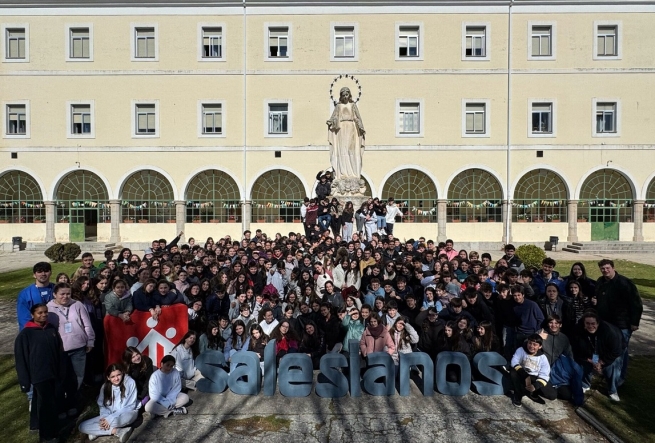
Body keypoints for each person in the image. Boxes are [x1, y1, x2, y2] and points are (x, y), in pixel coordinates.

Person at [14, 303, 63, 443]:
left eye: (45, 312)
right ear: (32, 315)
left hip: (53, 373)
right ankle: (48, 436)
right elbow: (21, 359)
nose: (43, 315)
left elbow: (58, 351)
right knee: (47, 406)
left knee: (42, 401)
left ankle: (35, 425)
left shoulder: (50, 329)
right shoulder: (25, 334)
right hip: (39, 376)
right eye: (39, 313)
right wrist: (24, 382)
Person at [47, 282, 95, 415]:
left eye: (68, 293)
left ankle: (73, 404)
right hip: (60, 350)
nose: (65, 296)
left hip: (78, 347)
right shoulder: (49, 308)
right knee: (61, 379)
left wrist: (90, 341)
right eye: (62, 294)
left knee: (78, 378)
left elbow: (87, 325)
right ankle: (62, 406)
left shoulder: (77, 305)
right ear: (55, 294)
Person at [594, 259, 643, 384]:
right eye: (602, 268)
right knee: (606, 349)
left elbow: (636, 303)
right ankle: (609, 373)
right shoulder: (600, 281)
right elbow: (598, 296)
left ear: (613, 268)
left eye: (607, 268)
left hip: (622, 324)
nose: (605, 270)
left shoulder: (625, 283)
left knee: (621, 351)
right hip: (605, 322)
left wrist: (634, 322)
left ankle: (619, 378)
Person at [78, 363, 138, 442]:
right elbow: (102, 406)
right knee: (82, 426)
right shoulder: (105, 387)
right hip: (109, 416)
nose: (116, 378)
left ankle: (97, 431)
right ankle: (118, 431)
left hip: (127, 413)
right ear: (108, 378)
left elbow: (130, 406)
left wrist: (109, 419)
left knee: (115, 421)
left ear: (122, 373)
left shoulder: (130, 382)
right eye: (113, 376)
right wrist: (105, 418)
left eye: (118, 375)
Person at [573, 311, 624, 402]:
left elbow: (616, 351)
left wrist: (601, 362)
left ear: (598, 323)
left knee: (612, 366)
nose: (590, 326)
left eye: (593, 324)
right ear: (584, 323)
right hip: (591, 352)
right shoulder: (578, 330)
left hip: (609, 352)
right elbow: (576, 350)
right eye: (587, 323)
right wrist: (589, 360)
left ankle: (612, 390)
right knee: (583, 364)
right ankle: (585, 384)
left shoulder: (609, 332)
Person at [326, 86, 365, 179]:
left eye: (347, 94)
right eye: (343, 95)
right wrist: (331, 121)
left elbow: (358, 117)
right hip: (341, 129)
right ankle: (342, 173)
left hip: (351, 127)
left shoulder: (353, 105)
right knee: (342, 149)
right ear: (341, 96)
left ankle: (353, 173)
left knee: (351, 149)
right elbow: (334, 117)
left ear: (349, 95)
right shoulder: (338, 106)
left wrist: (361, 126)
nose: (345, 97)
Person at [510, 334, 557, 407]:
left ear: (540, 346)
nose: (531, 346)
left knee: (552, 395)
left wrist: (536, 386)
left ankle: (530, 391)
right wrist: (525, 376)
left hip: (535, 378)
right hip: (522, 374)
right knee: (513, 371)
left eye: (535, 344)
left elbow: (545, 374)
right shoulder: (521, 350)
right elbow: (514, 362)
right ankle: (518, 394)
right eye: (530, 343)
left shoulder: (543, 358)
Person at [17, 262, 55, 330]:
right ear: (34, 275)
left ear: (50, 273)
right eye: (39, 271)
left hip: (56, 329)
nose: (43, 274)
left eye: (46, 271)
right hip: (35, 331)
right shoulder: (25, 294)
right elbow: (24, 318)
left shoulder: (57, 289)